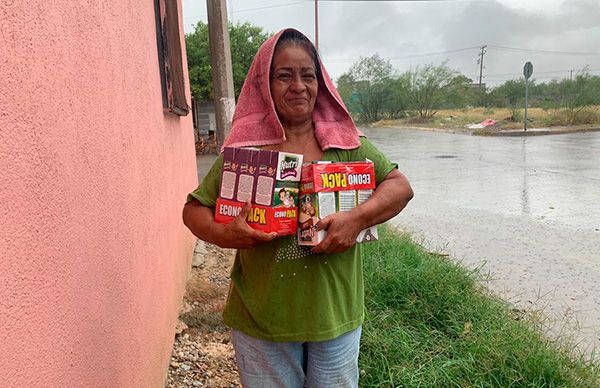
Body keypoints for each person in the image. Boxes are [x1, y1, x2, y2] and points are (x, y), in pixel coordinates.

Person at [182, 28, 413, 388]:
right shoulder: (247, 152)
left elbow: (399, 187)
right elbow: (194, 210)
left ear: (321, 83)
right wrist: (226, 234)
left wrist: (356, 220)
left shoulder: (347, 144)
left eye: (308, 75)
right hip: (262, 320)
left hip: (334, 317)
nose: (298, 86)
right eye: (284, 76)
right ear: (264, 83)